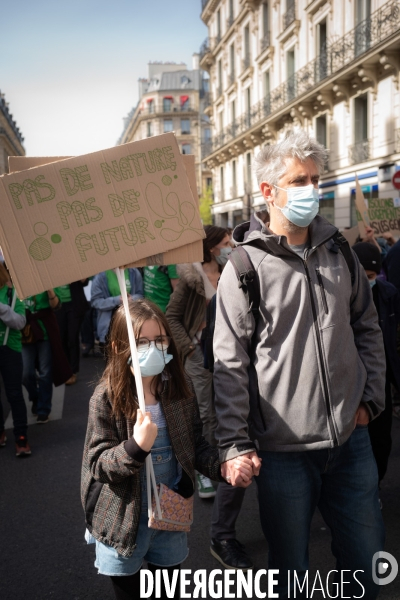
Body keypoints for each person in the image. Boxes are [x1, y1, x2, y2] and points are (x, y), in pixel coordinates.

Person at [213, 131, 386, 599]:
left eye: (316, 179)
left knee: (368, 566)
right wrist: (233, 443)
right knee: (292, 573)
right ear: (269, 191)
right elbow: (229, 364)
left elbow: (367, 327)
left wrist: (369, 401)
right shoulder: (243, 268)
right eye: (298, 180)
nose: (312, 189)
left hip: (351, 442)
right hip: (283, 452)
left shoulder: (340, 252)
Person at [81, 298, 232, 600]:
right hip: (125, 522)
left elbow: (196, 446)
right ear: (118, 347)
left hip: (170, 516)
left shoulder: (178, 388)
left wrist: (223, 465)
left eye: (160, 340)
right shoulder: (107, 398)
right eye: (142, 342)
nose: (154, 348)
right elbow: (97, 463)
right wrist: (136, 447)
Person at [166, 225, 231, 499]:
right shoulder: (191, 277)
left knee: (229, 406)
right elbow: (171, 316)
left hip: (227, 351)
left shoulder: (230, 268)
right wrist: (190, 350)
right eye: (226, 242)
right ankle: (203, 471)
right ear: (212, 245)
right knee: (205, 413)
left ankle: (225, 460)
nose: (230, 246)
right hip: (199, 353)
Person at [352, 242, 400, 485]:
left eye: (371, 276)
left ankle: (374, 484)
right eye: (363, 275)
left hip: (380, 377)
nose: (367, 281)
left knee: (381, 438)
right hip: (351, 379)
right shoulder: (342, 295)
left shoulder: (389, 294)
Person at [22, 288, 72, 423]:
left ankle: (43, 409)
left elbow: (56, 306)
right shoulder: (17, 281)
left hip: (44, 329)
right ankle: (35, 398)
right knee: (26, 374)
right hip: (25, 330)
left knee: (45, 372)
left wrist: (50, 291)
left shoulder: (43, 278)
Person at [0, 262, 31, 456]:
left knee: (14, 394)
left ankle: (21, 437)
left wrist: (1, 309)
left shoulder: (12, 293)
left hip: (9, 349)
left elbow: (20, 322)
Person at [91, 268, 143, 354]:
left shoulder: (134, 272)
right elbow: (96, 302)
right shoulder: (100, 276)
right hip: (109, 325)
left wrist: (131, 299)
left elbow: (140, 295)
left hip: (130, 322)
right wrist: (117, 300)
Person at [54, 280, 89, 385]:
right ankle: (66, 370)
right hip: (58, 304)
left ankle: (73, 371)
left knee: (72, 338)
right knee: (62, 338)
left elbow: (84, 281)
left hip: (74, 304)